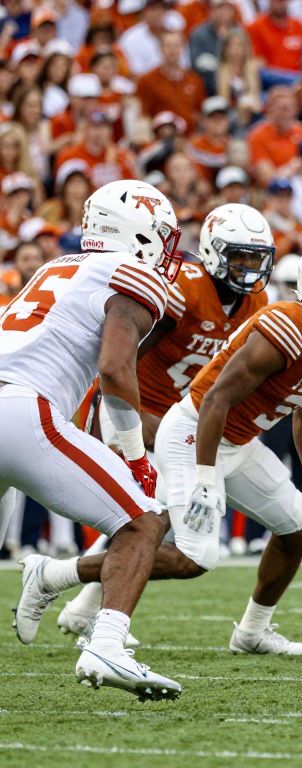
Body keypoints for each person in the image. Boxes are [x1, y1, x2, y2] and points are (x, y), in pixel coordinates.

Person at [54, 241, 302, 657]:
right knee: (196, 556)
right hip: (194, 432)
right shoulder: (288, 325)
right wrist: (206, 475)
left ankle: (252, 632)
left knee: (299, 525)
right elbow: (215, 400)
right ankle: (61, 573)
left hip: (238, 441)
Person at [56, 204, 275, 641]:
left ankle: (81, 607)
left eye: (256, 258)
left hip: (181, 415)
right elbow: (126, 353)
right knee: (144, 513)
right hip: (137, 408)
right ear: (214, 254)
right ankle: (89, 611)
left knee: (156, 513)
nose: (249, 269)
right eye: (239, 257)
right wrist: (125, 413)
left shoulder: (257, 301)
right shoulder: (184, 289)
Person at [4, 179, 183, 699]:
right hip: (21, 411)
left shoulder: (54, 266)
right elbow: (114, 367)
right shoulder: (133, 272)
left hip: (14, 398)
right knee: (142, 522)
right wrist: (133, 455)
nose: (167, 252)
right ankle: (107, 645)